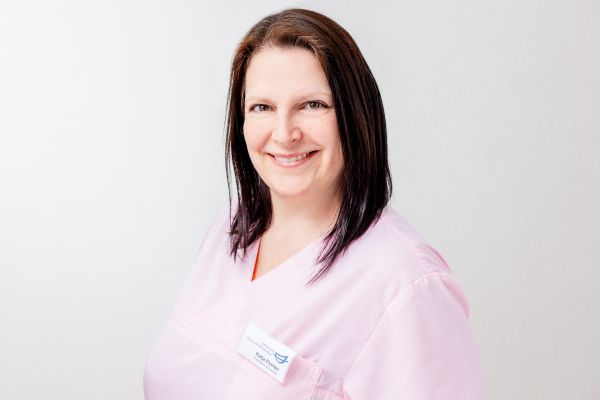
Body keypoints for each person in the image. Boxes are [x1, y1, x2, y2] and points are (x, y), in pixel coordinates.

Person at [143, 8, 485, 400]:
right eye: (262, 107)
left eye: (312, 105)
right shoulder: (229, 228)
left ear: (355, 115)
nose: (284, 133)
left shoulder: (407, 282)